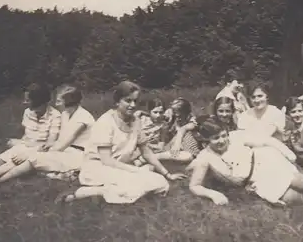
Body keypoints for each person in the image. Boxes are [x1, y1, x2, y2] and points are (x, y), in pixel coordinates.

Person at [55, 81, 186, 205]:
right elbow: (107, 160)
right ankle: (83, 193)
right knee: (141, 184)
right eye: (128, 101)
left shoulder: (136, 121)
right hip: (98, 169)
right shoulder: (105, 122)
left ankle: (104, 191)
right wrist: (135, 171)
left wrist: (168, 174)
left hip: (121, 167)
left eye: (135, 101)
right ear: (117, 101)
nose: (133, 105)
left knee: (161, 183)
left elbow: (146, 151)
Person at [187, 117, 303, 206]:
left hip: (265, 160)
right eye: (216, 138)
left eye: (223, 135)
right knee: (292, 198)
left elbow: (266, 141)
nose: (222, 140)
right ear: (206, 140)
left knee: (293, 178)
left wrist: (288, 153)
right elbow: (194, 185)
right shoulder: (205, 157)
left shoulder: (236, 137)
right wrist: (213, 194)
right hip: (252, 181)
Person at [0, 83, 61, 186]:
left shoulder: (55, 116)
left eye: (27, 100)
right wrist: (20, 144)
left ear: (38, 101)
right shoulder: (27, 112)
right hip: (27, 144)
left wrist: (29, 152)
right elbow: (27, 136)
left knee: (17, 159)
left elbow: (50, 142)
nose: (24, 102)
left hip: (41, 150)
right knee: (11, 152)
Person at [25, 84, 96, 180]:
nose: (56, 104)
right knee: (35, 155)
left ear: (68, 102)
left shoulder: (83, 118)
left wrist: (47, 151)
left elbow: (66, 143)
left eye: (59, 101)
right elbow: (60, 139)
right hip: (67, 150)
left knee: (37, 157)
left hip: (80, 154)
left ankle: (68, 172)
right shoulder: (65, 115)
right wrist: (48, 145)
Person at [133, 98, 196, 165]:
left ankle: (148, 158)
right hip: (167, 146)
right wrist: (142, 112)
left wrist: (177, 143)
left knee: (187, 153)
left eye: (180, 114)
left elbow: (183, 129)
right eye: (175, 113)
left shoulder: (192, 120)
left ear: (186, 112)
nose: (178, 117)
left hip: (179, 144)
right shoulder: (170, 116)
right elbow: (156, 115)